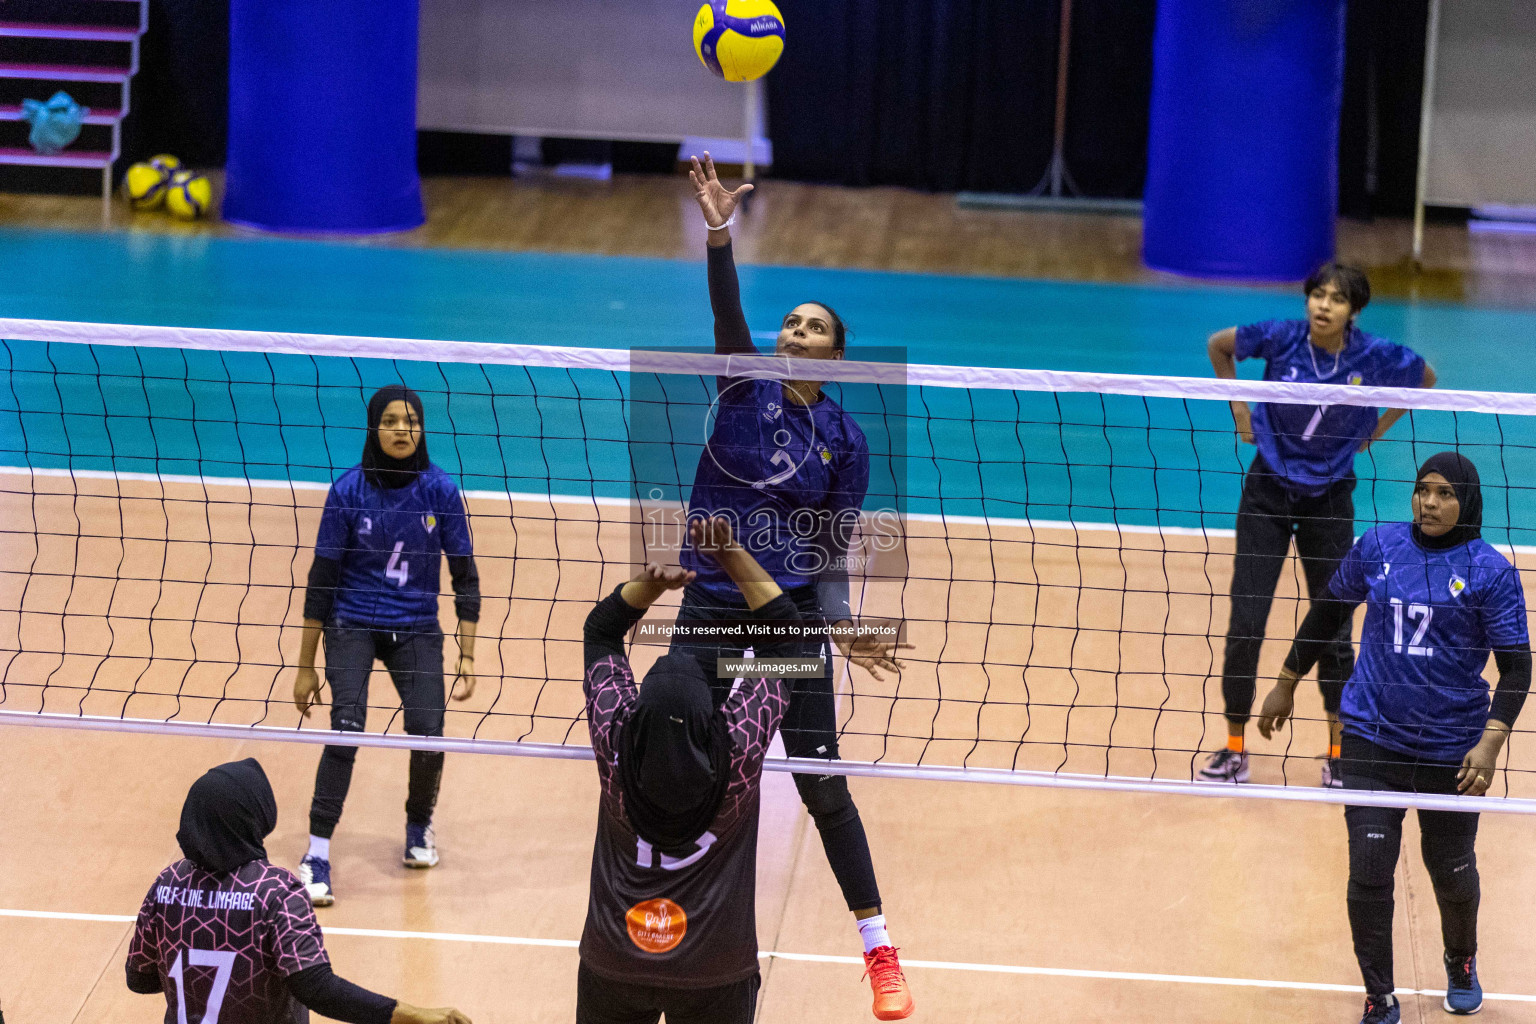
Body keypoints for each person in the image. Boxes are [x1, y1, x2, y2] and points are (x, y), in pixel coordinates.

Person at [668, 154, 913, 1019]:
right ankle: (671, 916)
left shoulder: (846, 442)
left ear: (837, 354)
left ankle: (878, 949)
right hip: (706, 613)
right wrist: (719, 230)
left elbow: (832, 549)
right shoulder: (745, 386)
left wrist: (840, 627)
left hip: (786, 626)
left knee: (819, 778)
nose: (794, 330)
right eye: (791, 322)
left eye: (813, 326)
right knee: (678, 764)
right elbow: (726, 308)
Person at [1257, 453, 1530, 1024]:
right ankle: (1379, 994)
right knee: (1371, 866)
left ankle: (1461, 960)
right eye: (1422, 490)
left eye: (1444, 494)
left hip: (1452, 747)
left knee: (1451, 867)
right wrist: (1285, 683)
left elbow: (1517, 669)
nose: (1429, 503)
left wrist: (1490, 744)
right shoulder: (1379, 548)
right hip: (1371, 736)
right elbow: (1328, 610)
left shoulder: (1490, 572)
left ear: (1467, 503)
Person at [1201, 263, 1436, 786]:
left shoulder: (1373, 355)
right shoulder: (1281, 338)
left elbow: (1425, 379)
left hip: (1329, 499)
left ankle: (1338, 749)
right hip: (1267, 492)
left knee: (1333, 627)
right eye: (1317, 295)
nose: (1323, 306)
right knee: (1247, 621)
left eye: (1336, 299)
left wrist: (1375, 429)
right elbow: (1220, 344)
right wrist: (1240, 410)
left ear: (1354, 311)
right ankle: (1235, 745)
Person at [577, 517, 796, 1024]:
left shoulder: (617, 753)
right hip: (713, 971)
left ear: (635, 723)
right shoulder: (736, 760)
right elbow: (788, 645)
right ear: (714, 725)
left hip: (615, 962)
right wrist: (731, 552)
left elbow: (600, 633)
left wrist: (649, 585)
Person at [291, 385, 481, 906]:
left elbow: (465, 577)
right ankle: (316, 853)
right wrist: (305, 667)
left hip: (416, 627)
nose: (403, 429)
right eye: (392, 420)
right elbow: (321, 579)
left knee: (428, 731)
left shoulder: (440, 492)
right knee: (346, 727)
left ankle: (418, 826)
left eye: (412, 421)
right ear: (374, 426)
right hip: (352, 621)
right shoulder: (347, 491)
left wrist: (467, 654)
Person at [126, 758, 472, 1024]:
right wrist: (411, 1015)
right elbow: (315, 987)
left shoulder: (167, 884)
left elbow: (139, 979)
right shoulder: (276, 891)